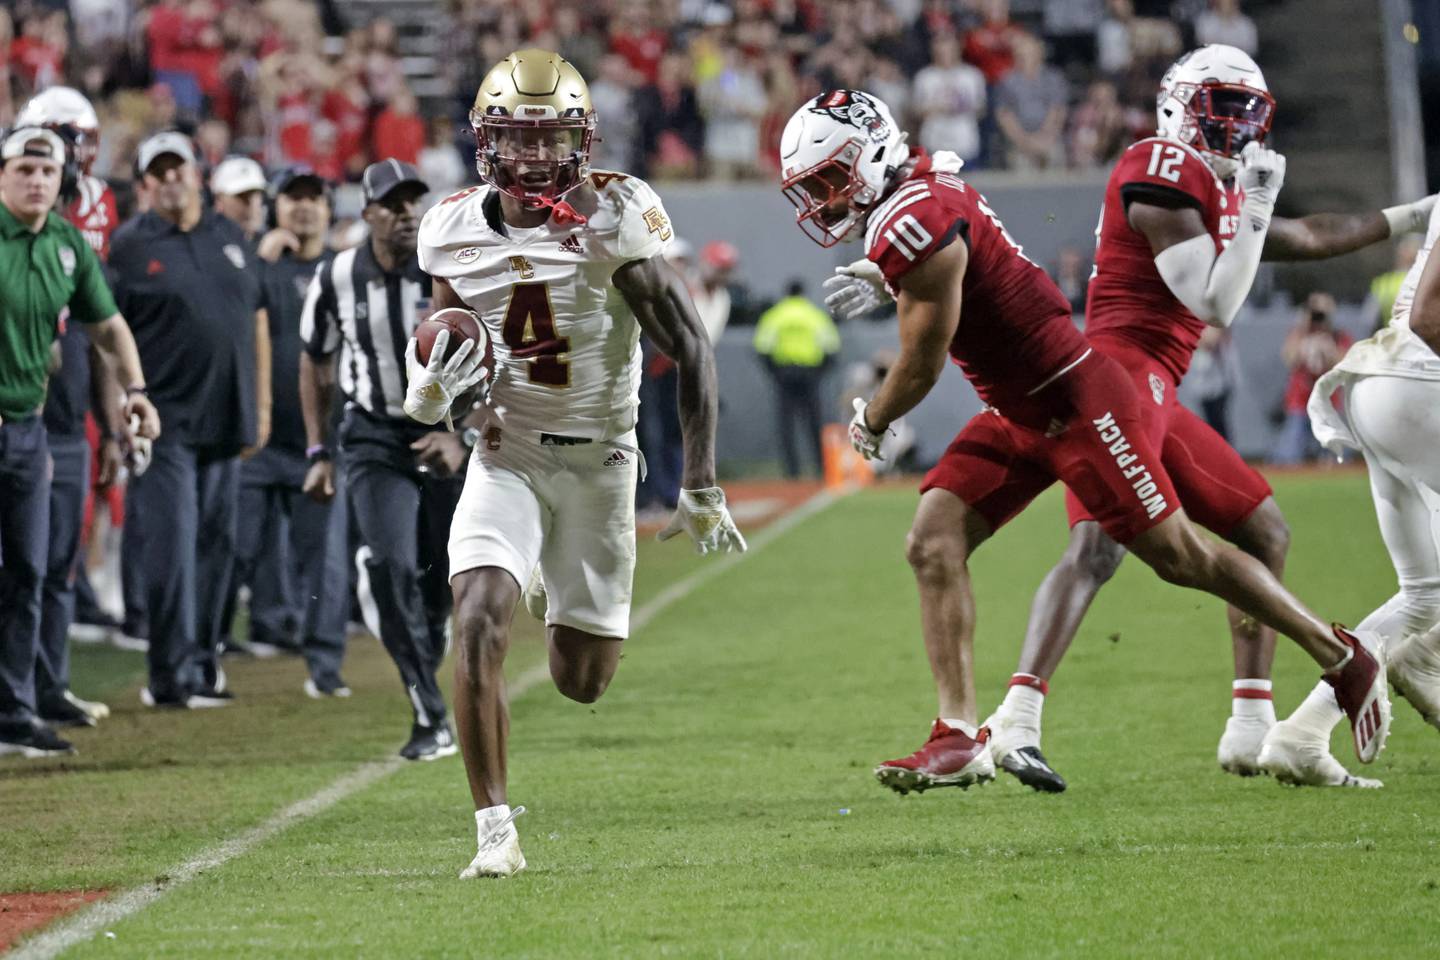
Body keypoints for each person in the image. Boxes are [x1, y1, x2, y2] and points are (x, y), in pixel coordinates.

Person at [827, 48, 1434, 791]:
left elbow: (1301, 240)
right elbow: (1217, 301)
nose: (1234, 127)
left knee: (1206, 546)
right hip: (1110, 376)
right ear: (1180, 104)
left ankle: (1307, 681)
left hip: (1079, 392)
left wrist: (1414, 214)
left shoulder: (1199, 182)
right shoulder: (1160, 168)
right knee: (972, 540)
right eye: (1221, 107)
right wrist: (899, 271)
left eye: (1245, 112)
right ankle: (975, 730)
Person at [408, 48, 745, 879]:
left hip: (600, 461)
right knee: (478, 619)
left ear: (581, 140)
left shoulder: (617, 218)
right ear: (485, 143)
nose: (530, 156)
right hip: (508, 456)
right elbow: (457, 346)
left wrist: (698, 481)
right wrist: (448, 402)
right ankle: (494, 831)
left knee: (582, 681)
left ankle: (555, 583)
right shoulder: (450, 227)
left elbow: (693, 347)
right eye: (514, 139)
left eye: (548, 137)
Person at [0, 126, 159, 757]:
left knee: (30, 572)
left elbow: (109, 326)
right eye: (23, 168)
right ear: (2, 173)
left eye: (47, 171)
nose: (37, 179)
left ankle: (12, 711)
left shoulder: (66, 243)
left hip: (27, 431)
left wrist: (136, 391)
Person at [1273, 199, 1440, 786]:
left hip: (1383, 388)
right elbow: (1431, 318)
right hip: (1421, 387)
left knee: (1425, 594)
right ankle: (1427, 660)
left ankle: (1301, 732)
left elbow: (1353, 227)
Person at [300, 159, 463, 751]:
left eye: (412, 201)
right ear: (366, 211)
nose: (405, 213)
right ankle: (428, 711)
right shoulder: (337, 275)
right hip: (373, 436)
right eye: (392, 204)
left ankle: (434, 621)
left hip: (445, 431)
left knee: (448, 575)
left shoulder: (447, 267)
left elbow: (493, 355)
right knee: (388, 564)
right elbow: (315, 361)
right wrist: (319, 449)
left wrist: (462, 436)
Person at [108, 130, 270, 709]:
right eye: (161, 172)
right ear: (147, 185)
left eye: (181, 169)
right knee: (172, 549)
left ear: (198, 175)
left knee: (219, 546)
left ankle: (205, 664)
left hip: (226, 420)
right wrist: (117, 417)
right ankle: (167, 676)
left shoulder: (230, 236)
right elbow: (108, 334)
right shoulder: (128, 246)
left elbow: (253, 320)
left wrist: (263, 409)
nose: (173, 179)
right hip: (163, 422)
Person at [15, 86, 126, 726]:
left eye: (81, 137)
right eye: (61, 135)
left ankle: (46, 687)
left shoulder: (98, 205)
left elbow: (102, 324)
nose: (75, 149)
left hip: (69, 401)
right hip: (19, 401)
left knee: (57, 557)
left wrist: (112, 421)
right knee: (20, 564)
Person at [236, 167, 350, 693]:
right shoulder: (259, 267)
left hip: (319, 445)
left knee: (322, 560)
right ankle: (200, 665)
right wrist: (260, 257)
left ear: (328, 210)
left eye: (313, 199)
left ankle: (325, 671)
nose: (303, 208)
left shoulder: (344, 271)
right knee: (229, 551)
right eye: (292, 199)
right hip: (255, 443)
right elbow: (229, 319)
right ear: (276, 208)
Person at [753, 279, 840, 479]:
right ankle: (822, 468)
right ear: (803, 293)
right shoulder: (815, 315)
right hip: (810, 374)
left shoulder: (775, 315)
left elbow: (762, 347)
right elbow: (832, 347)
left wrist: (775, 374)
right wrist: (819, 374)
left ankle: (792, 471)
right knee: (815, 424)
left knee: (786, 426)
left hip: (785, 375)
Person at [1272, 293, 1352, 465]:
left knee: (1335, 457)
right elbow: (1289, 359)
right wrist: (1304, 330)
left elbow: (1344, 364)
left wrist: (1328, 347)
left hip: (1327, 402)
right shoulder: (1299, 334)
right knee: (1290, 454)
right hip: (1299, 401)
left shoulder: (1338, 336)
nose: (1318, 317)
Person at [210, 155, 268, 239]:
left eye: (257, 195)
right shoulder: (206, 243)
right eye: (242, 196)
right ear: (219, 200)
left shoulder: (273, 243)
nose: (252, 205)